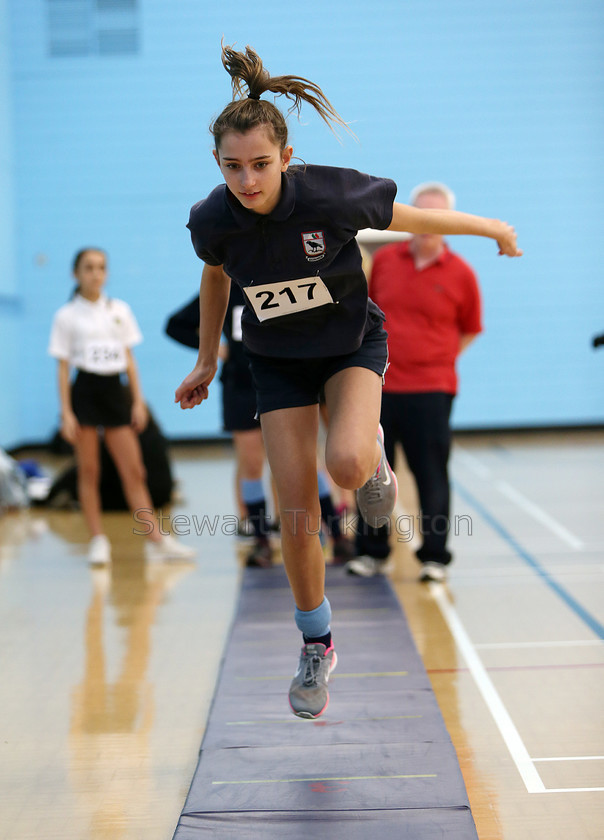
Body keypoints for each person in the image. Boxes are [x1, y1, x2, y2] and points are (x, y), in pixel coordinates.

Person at [174, 44, 522, 719]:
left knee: (346, 463)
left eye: (261, 165)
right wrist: (208, 357)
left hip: (349, 348)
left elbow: (411, 221)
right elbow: (216, 272)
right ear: (218, 164)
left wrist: (488, 228)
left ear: (286, 156)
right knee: (298, 509)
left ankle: (373, 471)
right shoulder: (212, 220)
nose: (248, 180)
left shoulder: (329, 194)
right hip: (276, 362)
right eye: (232, 167)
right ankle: (316, 644)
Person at [346, 182, 484, 583]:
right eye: (422, 214)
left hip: (432, 390)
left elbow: (470, 328)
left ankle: (435, 556)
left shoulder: (462, 274)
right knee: (371, 471)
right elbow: (363, 315)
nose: (428, 224)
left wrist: (437, 359)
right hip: (378, 388)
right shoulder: (385, 261)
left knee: (431, 472)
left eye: (438, 216)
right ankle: (373, 552)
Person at [166, 283, 355, 567]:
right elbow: (176, 326)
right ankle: (261, 540)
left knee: (305, 462)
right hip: (241, 388)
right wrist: (214, 348)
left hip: (285, 382)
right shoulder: (227, 288)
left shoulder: (283, 281)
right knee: (251, 464)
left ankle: (338, 535)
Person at [48, 248, 195, 566]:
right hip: (86, 392)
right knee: (89, 471)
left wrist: (137, 401)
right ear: (76, 274)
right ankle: (98, 540)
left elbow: (129, 360)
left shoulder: (120, 310)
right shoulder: (66, 316)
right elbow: (62, 368)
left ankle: (157, 538)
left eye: (101, 267)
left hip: (116, 393)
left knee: (135, 470)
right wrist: (66, 412)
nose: (95, 273)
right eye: (88, 268)